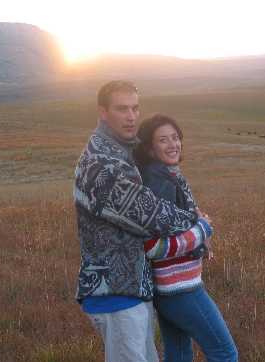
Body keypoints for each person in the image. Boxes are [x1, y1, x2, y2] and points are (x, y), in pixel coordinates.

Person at [74, 81, 214, 362]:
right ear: (103, 112)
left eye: (135, 108)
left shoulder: (120, 151)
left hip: (130, 290)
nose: (131, 117)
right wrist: (199, 224)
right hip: (114, 293)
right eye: (121, 109)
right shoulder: (101, 162)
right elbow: (149, 214)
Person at [134, 113, 238, 362]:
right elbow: (152, 245)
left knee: (179, 355)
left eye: (175, 137)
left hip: (167, 289)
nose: (173, 144)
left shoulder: (168, 177)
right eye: (163, 140)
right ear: (149, 149)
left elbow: (176, 225)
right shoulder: (160, 184)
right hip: (180, 288)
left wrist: (197, 227)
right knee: (225, 353)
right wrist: (201, 230)